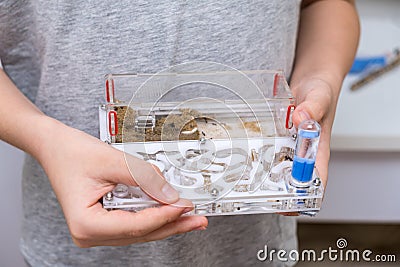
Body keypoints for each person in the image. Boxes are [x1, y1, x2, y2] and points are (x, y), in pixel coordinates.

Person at [0, 0, 359, 266]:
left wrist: (319, 80)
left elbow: (326, 4)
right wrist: (43, 139)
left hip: (255, 245)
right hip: (74, 249)